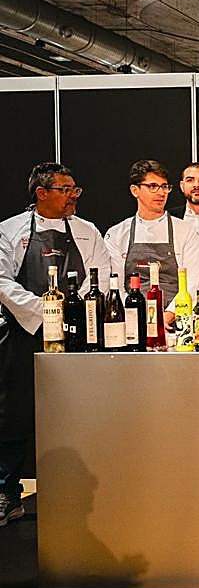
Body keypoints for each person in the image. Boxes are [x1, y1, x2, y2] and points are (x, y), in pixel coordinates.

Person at [0, 164, 109, 528]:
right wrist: (43, 312)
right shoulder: (10, 230)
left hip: (76, 332)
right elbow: (2, 282)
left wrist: (70, 311)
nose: (73, 196)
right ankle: (7, 493)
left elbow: (100, 275)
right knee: (14, 414)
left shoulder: (86, 231)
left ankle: (79, 494)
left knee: (78, 412)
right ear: (41, 192)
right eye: (65, 190)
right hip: (23, 333)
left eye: (75, 189)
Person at [105, 160, 199, 310]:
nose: (161, 193)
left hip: (176, 315)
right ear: (135, 190)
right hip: (132, 315)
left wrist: (169, 315)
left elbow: (192, 282)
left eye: (164, 187)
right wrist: (135, 314)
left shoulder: (185, 231)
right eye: (153, 186)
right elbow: (116, 285)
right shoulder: (116, 234)